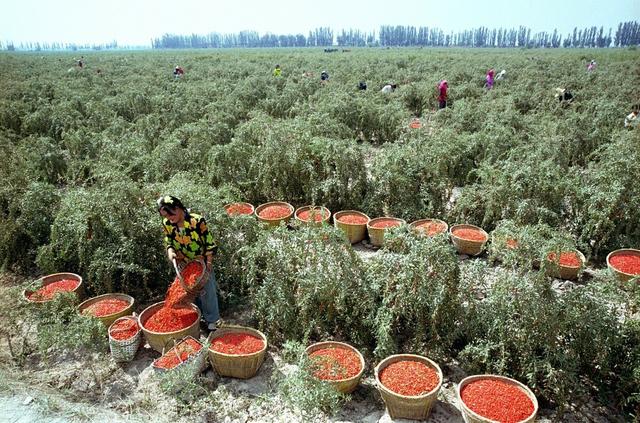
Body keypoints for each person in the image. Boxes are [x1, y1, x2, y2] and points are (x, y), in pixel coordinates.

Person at [157, 195, 220, 330]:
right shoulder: (167, 224)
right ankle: (198, 316)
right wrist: (170, 251)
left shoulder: (196, 221)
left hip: (201, 263)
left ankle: (212, 321)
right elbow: (168, 239)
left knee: (207, 290)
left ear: (178, 208)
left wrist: (208, 264)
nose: (169, 218)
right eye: (166, 217)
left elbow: (209, 242)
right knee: (190, 291)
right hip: (185, 264)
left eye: (171, 214)